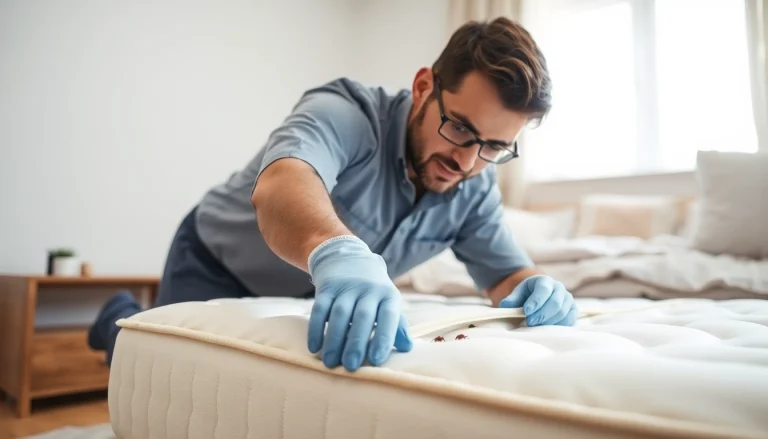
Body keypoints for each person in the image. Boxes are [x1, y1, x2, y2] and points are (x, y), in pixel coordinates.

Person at [88, 16, 578, 371]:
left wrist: (537, 289)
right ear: (425, 86)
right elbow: (284, 183)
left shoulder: (475, 184)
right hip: (218, 258)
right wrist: (339, 252)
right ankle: (119, 317)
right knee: (157, 365)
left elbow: (506, 274)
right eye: (459, 128)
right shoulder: (346, 110)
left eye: (494, 146)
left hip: (309, 291)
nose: (467, 162)